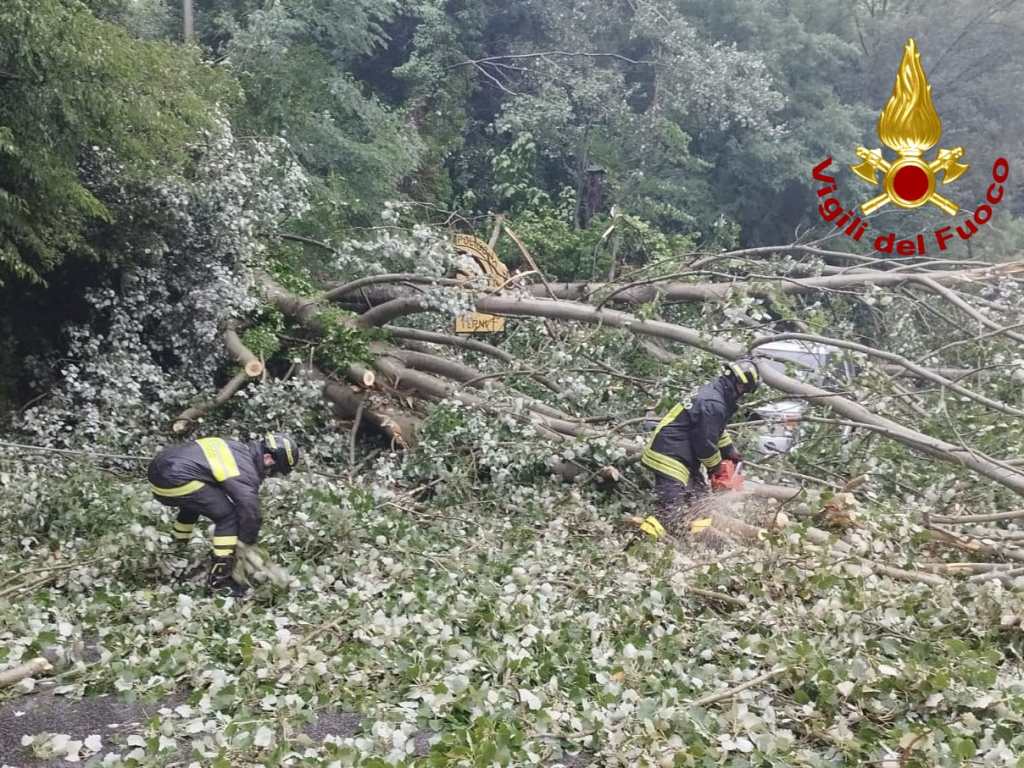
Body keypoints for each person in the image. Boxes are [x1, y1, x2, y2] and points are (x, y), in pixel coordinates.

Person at [147, 433, 300, 596]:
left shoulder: (237, 448)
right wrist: (246, 546)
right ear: (269, 459)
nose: (269, 476)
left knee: (196, 501)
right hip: (174, 479)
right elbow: (250, 512)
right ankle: (220, 582)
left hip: (159, 474)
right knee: (229, 516)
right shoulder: (246, 469)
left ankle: (178, 546)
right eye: (273, 472)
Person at [639, 359, 760, 539]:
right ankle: (640, 543)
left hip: (680, 452)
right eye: (745, 391)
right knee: (672, 513)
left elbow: (714, 430)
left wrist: (729, 451)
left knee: (700, 501)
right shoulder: (714, 403)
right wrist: (717, 468)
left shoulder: (716, 394)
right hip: (669, 455)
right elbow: (704, 445)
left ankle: (701, 543)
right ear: (740, 385)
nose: (742, 396)